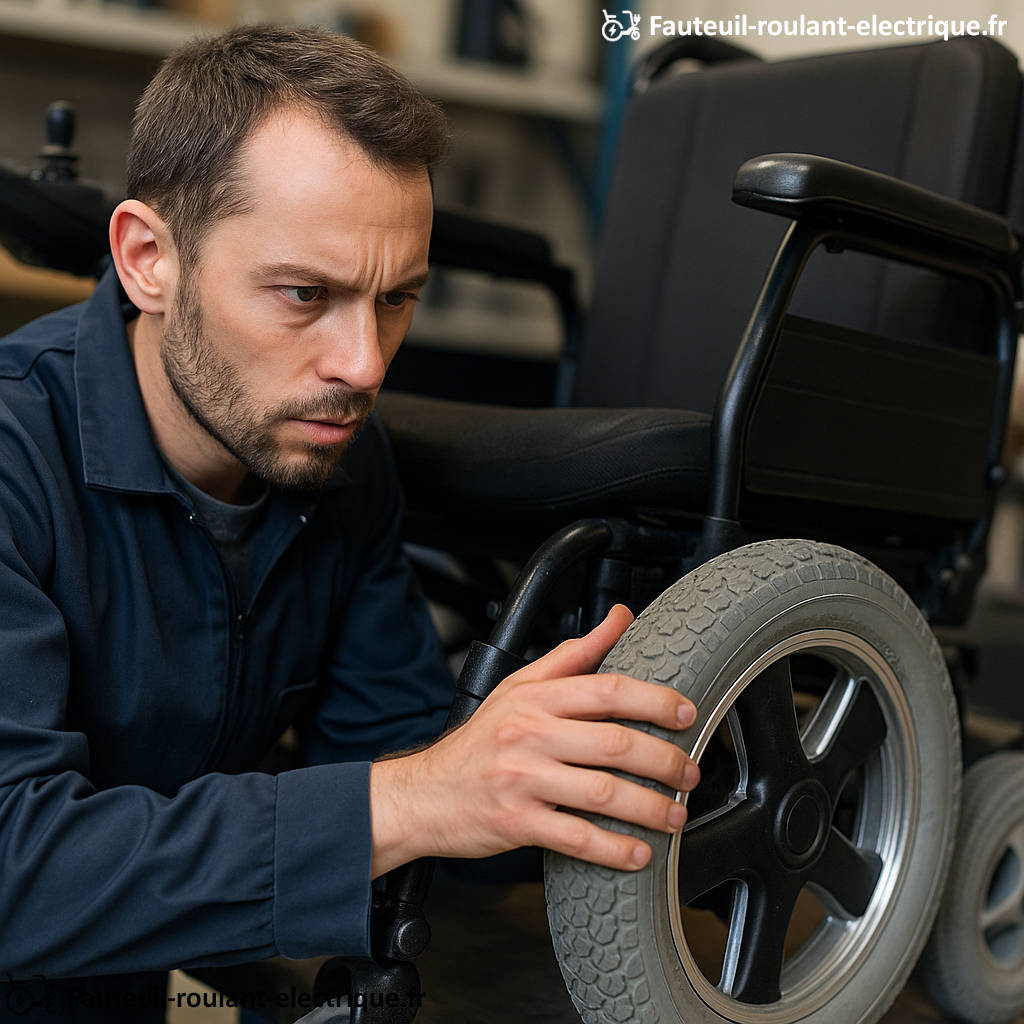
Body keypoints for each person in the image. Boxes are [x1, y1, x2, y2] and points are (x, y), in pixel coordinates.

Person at [0, 24, 699, 1020]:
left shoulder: (337, 459)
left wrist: (545, 766)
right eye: (304, 294)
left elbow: (402, 759)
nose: (364, 365)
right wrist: (412, 800)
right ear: (149, 258)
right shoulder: (14, 461)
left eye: (396, 300)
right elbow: (14, 872)